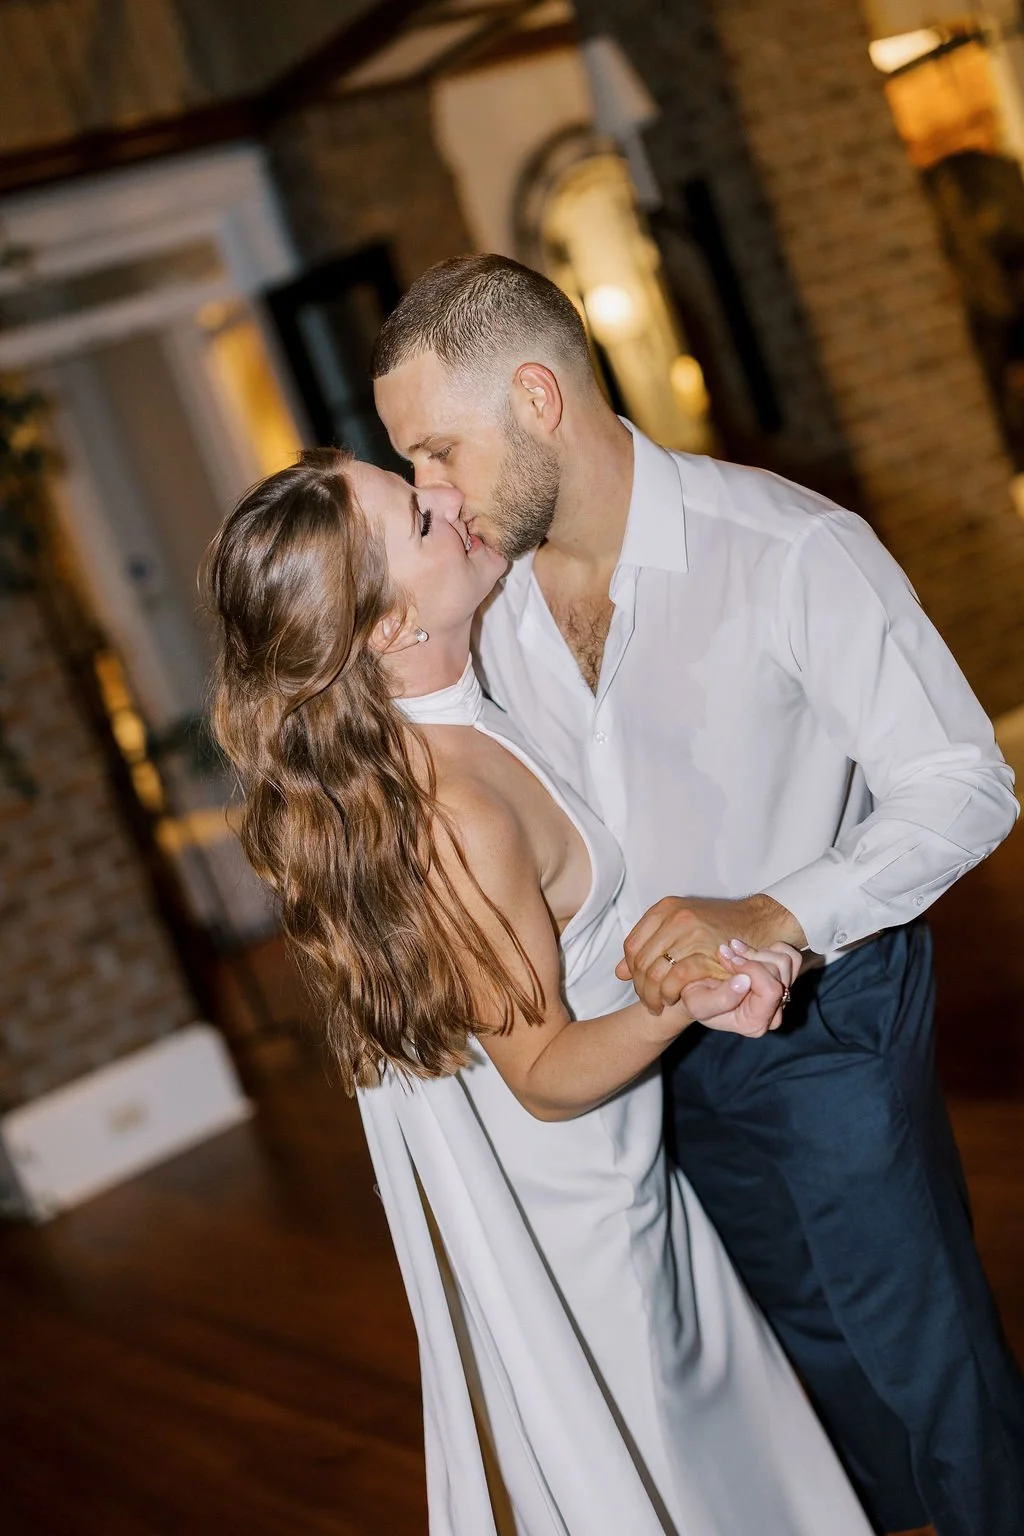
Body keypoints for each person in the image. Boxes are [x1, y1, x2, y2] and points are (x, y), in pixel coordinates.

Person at [370, 254, 1024, 1536]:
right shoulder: (479, 603)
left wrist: (772, 914)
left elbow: (964, 785)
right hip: (639, 1058)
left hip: (825, 1017)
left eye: (439, 451)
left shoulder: (788, 550)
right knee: (795, 1382)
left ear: (539, 400)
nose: (428, 495)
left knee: (922, 1363)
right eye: (409, 469)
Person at [206, 448, 874, 1535]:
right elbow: (543, 1075)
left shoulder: (462, 716)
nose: (449, 501)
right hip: (583, 1225)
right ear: (384, 629)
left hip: (626, 1176)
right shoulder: (451, 817)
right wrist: (682, 989)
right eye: (419, 519)